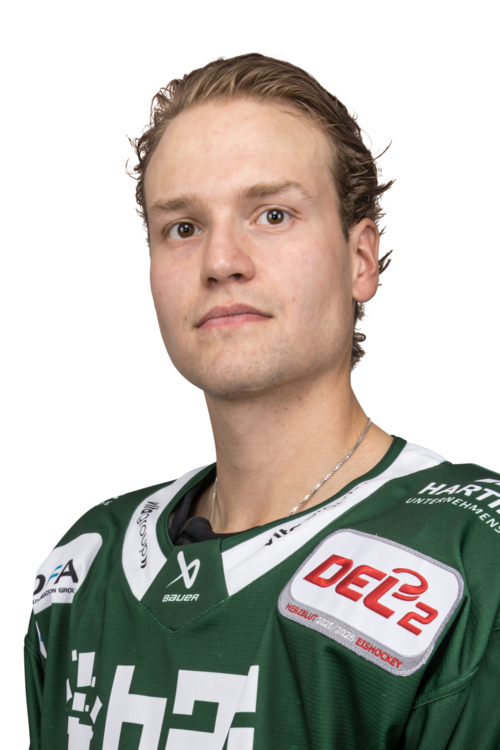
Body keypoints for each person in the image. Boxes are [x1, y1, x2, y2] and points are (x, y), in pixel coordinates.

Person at [23, 53, 499, 749]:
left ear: (362, 259)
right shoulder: (84, 563)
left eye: (272, 214)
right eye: (183, 227)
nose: (221, 261)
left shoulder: (474, 553)